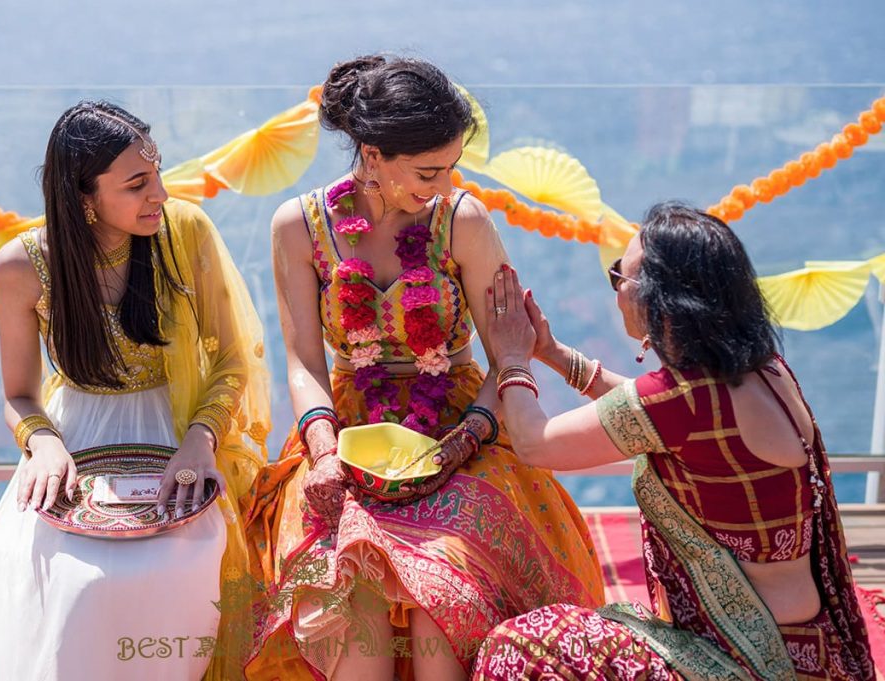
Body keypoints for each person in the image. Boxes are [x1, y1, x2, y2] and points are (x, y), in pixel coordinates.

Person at [244, 56, 604, 681]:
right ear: (372, 152)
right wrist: (325, 453)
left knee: (444, 591)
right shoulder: (299, 226)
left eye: (450, 168)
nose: (441, 185)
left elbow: (507, 356)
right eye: (426, 171)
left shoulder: (461, 220)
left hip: (464, 424)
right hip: (344, 431)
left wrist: (465, 440)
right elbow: (303, 363)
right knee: (350, 591)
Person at [473, 201, 876, 679]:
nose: (617, 292)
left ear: (657, 300)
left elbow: (536, 443)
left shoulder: (682, 401)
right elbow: (655, 414)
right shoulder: (763, 370)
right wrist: (555, 354)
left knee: (515, 648)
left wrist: (510, 357)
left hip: (743, 660)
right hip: (813, 653)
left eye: (619, 277)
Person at [0, 101, 269, 681]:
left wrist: (201, 442)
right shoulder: (22, 266)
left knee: (183, 568)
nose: (161, 196)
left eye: (159, 174)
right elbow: (19, 395)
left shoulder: (185, 233)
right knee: (67, 582)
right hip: (75, 438)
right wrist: (43, 445)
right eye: (137, 184)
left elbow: (230, 360)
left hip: (182, 430)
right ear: (82, 198)